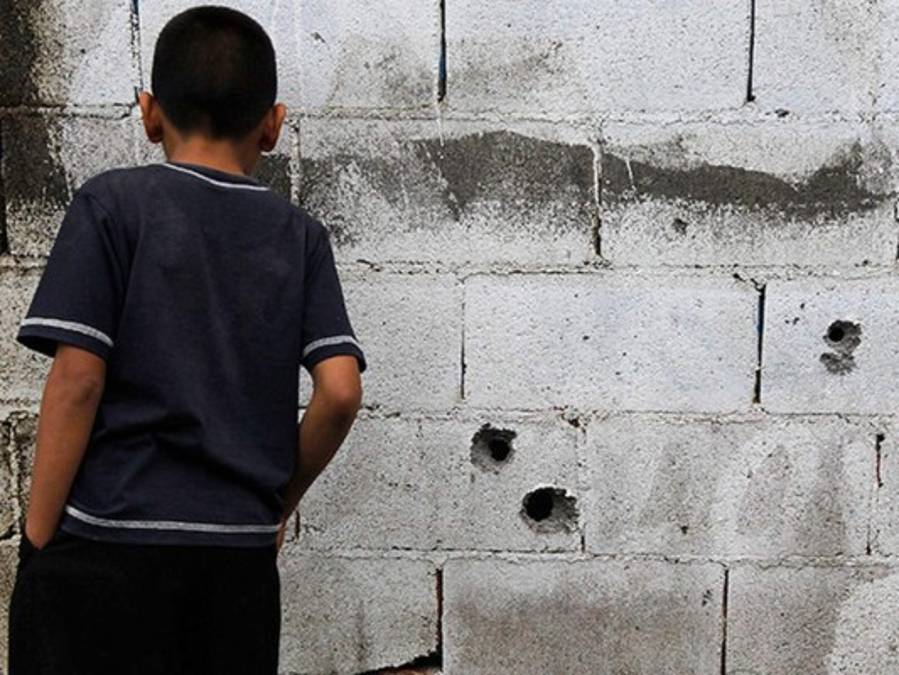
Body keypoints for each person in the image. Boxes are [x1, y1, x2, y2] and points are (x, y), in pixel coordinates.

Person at [6, 5, 366, 673]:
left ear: (149, 114)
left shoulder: (111, 206)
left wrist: (37, 538)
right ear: (272, 125)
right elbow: (340, 392)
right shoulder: (301, 237)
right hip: (236, 561)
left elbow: (77, 381)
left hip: (108, 545)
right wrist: (276, 505)